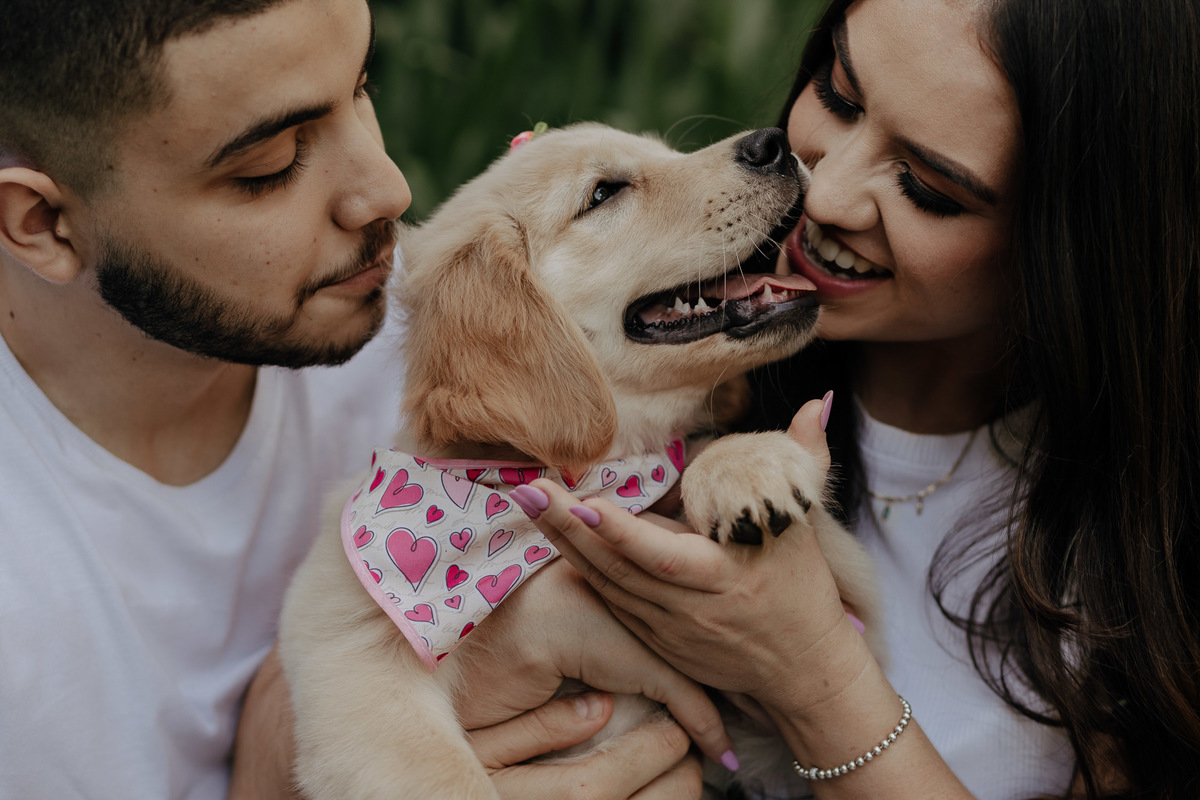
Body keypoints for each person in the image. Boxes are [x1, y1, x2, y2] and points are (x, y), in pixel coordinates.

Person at [0, 2, 718, 798]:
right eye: (269, 165)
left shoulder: (452, 320)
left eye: (362, 88)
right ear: (43, 224)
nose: (387, 189)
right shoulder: (25, 609)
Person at [519, 0, 1200, 797]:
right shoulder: (662, 352)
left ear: (1076, 244)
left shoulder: (1151, 551)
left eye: (928, 186)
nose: (826, 193)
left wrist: (815, 679)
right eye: (838, 95)